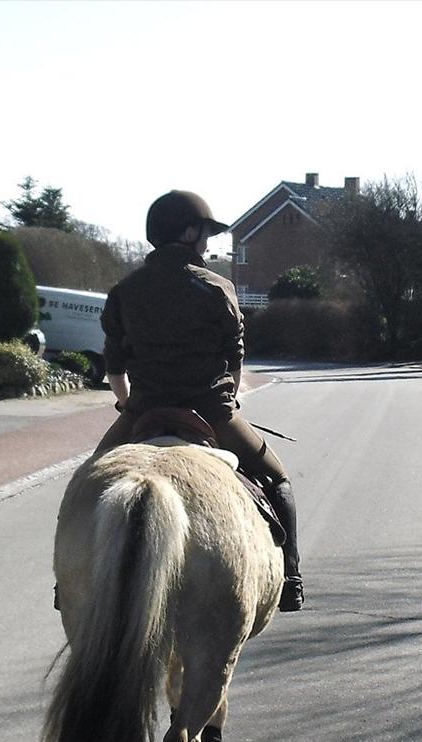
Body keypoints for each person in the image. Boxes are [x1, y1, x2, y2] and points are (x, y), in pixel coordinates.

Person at [94, 189, 303, 612]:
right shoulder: (217, 288)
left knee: (89, 480)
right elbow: (235, 363)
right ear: (189, 233)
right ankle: (292, 578)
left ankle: (70, 581)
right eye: (205, 233)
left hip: (143, 412)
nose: (208, 242)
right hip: (212, 412)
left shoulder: (124, 290)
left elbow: (114, 368)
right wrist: (229, 402)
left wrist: (127, 406)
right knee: (277, 480)